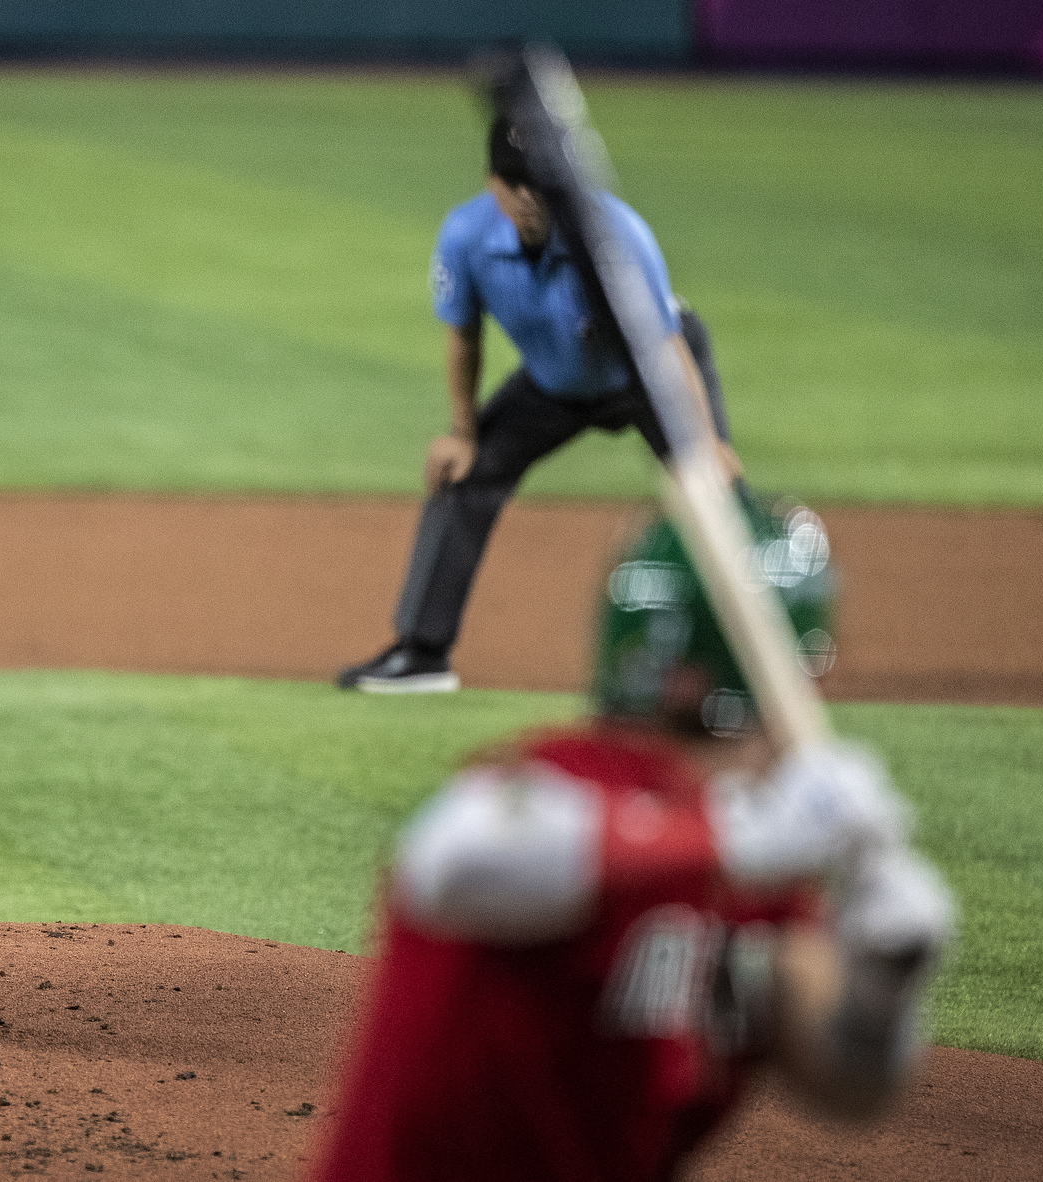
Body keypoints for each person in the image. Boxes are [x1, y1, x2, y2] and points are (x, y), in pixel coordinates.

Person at [309, 502, 954, 1182]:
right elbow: (448, 859)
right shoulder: (560, 786)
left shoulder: (748, 859)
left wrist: (886, 984)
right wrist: (739, 841)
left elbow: (848, 1088)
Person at [339, 116, 740, 693]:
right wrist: (462, 432)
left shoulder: (615, 235)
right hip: (553, 384)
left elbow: (667, 344)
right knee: (465, 476)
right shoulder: (466, 236)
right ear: (490, 183)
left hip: (649, 376)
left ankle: (756, 658)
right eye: (512, 181)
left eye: (539, 183)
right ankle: (422, 655)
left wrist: (707, 446)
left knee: (717, 498)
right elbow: (464, 334)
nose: (526, 197)